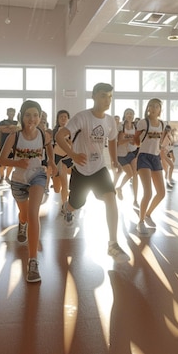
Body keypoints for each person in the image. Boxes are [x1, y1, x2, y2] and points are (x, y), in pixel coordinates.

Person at [55, 82, 130, 263]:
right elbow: (59, 136)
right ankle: (67, 208)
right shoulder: (81, 118)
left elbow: (111, 140)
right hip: (81, 169)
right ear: (94, 96)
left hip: (99, 168)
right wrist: (72, 154)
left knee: (111, 198)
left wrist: (114, 160)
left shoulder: (110, 120)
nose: (107, 100)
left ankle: (113, 243)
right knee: (76, 204)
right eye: (103, 95)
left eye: (110, 96)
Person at [0, 100, 56, 282]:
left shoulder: (43, 134)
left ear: (40, 117)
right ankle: (21, 223)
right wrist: (16, 163)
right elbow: (1, 160)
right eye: (28, 115)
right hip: (18, 181)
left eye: (36, 115)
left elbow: (49, 149)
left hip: (38, 176)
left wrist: (52, 163)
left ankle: (32, 262)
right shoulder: (14, 137)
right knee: (24, 214)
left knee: (33, 214)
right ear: (21, 117)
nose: (32, 119)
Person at [134, 99, 166, 235]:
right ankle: (140, 222)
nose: (153, 108)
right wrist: (140, 143)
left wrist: (160, 149)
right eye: (151, 106)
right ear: (148, 108)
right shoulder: (143, 122)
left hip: (155, 157)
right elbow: (136, 139)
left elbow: (161, 140)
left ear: (160, 109)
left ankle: (147, 214)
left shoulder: (162, 124)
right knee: (148, 192)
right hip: (144, 157)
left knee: (161, 193)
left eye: (156, 106)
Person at [114, 108, 139, 205]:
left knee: (135, 174)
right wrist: (129, 140)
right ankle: (118, 188)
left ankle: (135, 199)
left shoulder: (135, 127)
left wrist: (135, 142)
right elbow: (119, 141)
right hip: (121, 154)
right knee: (129, 173)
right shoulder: (121, 126)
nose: (130, 115)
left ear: (133, 116)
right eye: (128, 113)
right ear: (125, 115)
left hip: (132, 153)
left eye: (131, 114)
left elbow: (137, 142)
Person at [51, 110, 73, 212]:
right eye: (61, 117)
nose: (63, 119)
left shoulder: (72, 130)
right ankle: (64, 193)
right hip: (58, 158)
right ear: (58, 119)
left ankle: (65, 205)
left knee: (65, 183)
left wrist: (70, 141)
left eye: (65, 117)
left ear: (68, 119)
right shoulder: (55, 131)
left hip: (68, 158)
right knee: (56, 188)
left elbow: (74, 144)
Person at [0, 107, 19, 184]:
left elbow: (18, 129)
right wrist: (10, 127)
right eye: (9, 112)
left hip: (13, 145)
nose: (11, 114)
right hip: (3, 143)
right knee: (0, 162)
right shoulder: (2, 122)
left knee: (11, 161)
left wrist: (12, 128)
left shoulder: (17, 122)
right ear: (7, 113)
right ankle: (1, 176)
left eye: (12, 112)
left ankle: (7, 177)